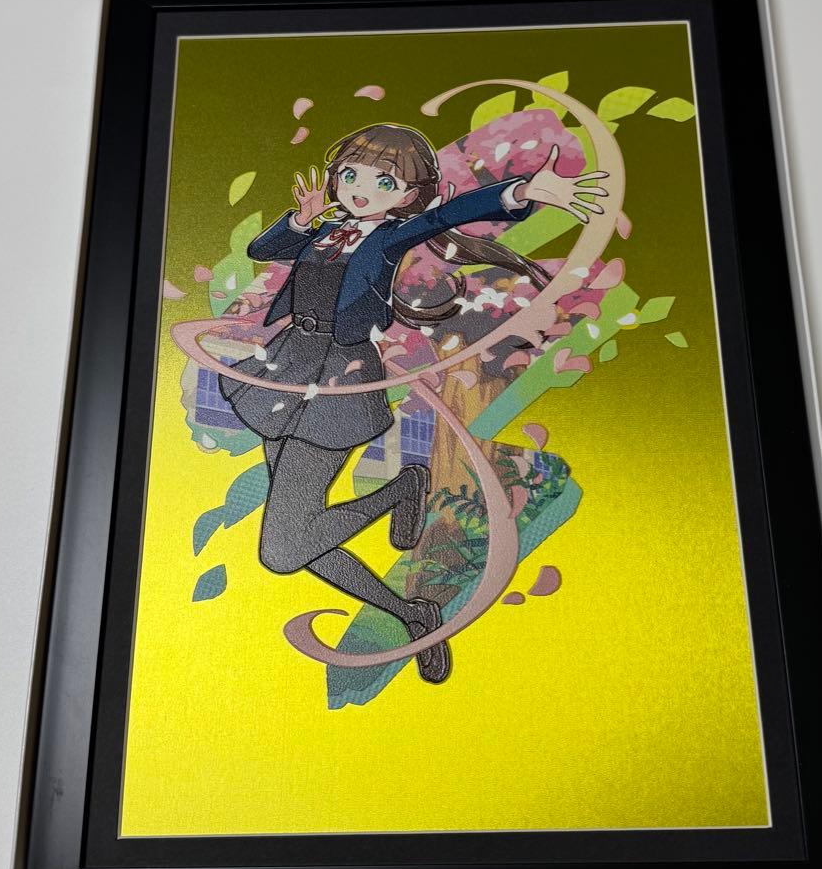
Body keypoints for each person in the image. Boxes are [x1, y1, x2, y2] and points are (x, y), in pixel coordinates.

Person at [219, 124, 608, 684]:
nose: (360, 189)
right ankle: (411, 611)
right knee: (300, 534)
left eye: (383, 181)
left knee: (282, 551)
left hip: (339, 378)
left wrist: (521, 192)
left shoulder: (390, 237)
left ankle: (399, 494)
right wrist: (301, 221)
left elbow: (445, 216)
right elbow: (263, 251)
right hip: (285, 366)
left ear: (406, 194)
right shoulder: (326, 230)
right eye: (350, 174)